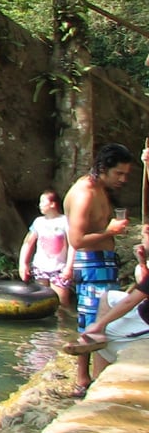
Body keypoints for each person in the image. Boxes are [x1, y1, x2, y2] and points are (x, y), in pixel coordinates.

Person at [63, 142, 136, 395]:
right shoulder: (84, 193)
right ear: (103, 168)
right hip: (91, 262)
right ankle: (82, 379)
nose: (123, 179)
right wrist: (110, 231)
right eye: (119, 173)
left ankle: (96, 373)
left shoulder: (100, 189)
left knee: (104, 317)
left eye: (127, 174)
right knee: (90, 319)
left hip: (105, 261)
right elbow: (76, 240)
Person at [67, 238, 149, 385]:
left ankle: (99, 375)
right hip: (143, 309)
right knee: (108, 296)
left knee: (108, 332)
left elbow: (132, 300)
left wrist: (100, 325)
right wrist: (143, 262)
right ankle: (98, 335)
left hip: (145, 320)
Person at [18, 188, 72, 310]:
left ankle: (64, 328)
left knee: (62, 304)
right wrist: (23, 264)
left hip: (59, 268)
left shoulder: (64, 221)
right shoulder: (38, 222)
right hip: (40, 268)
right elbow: (27, 243)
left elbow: (73, 245)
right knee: (42, 302)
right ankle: (43, 329)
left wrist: (69, 267)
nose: (40, 205)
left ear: (53, 204)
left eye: (43, 202)